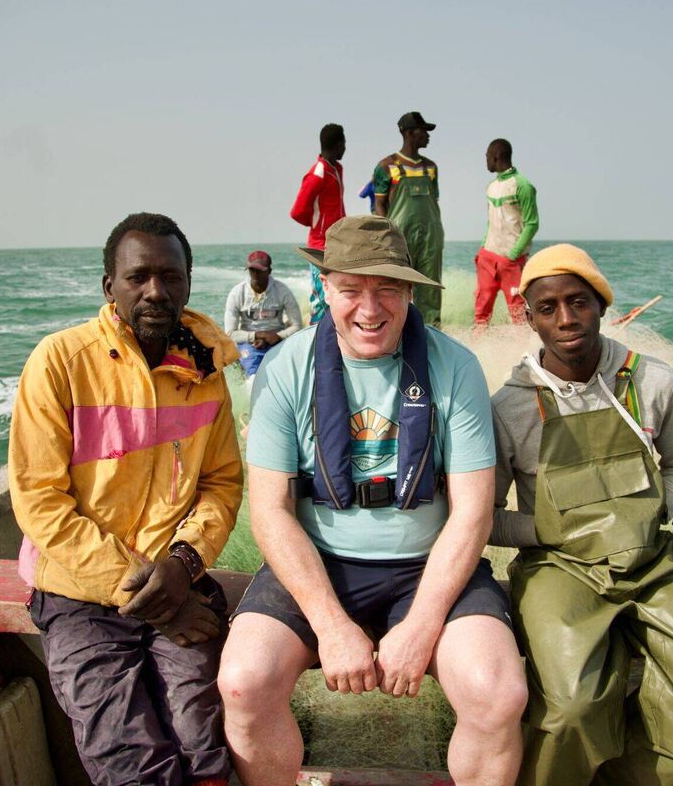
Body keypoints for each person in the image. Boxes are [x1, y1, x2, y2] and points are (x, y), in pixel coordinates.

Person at [218, 215, 527, 786]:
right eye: (350, 288)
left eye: (387, 288)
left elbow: (472, 512)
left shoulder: (455, 367)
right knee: (243, 683)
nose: (369, 308)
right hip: (317, 563)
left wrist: (422, 626)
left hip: (428, 568)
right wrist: (331, 626)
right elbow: (270, 511)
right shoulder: (284, 369)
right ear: (324, 288)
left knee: (498, 693)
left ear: (409, 291)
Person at [490, 244, 673, 786]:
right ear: (530, 320)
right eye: (548, 308)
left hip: (654, 563)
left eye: (579, 302)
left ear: (602, 306)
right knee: (572, 710)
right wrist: (548, 531)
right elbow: (485, 517)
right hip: (559, 568)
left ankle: (623, 776)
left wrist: (656, 508)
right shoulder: (509, 407)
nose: (566, 319)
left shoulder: (653, 381)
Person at [8, 213, 243, 785]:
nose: (156, 291)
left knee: (204, 737)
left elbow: (221, 483)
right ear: (109, 285)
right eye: (139, 277)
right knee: (126, 752)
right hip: (78, 592)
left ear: (188, 283)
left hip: (176, 578)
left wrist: (183, 565)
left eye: (171, 276)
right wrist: (146, 590)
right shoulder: (60, 361)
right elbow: (40, 501)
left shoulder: (205, 370)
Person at [373, 111, 444, 326]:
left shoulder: (431, 167)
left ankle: (431, 332)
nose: (428, 136)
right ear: (409, 133)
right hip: (399, 236)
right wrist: (386, 237)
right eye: (424, 131)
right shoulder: (386, 166)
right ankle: (397, 330)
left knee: (431, 287)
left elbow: (433, 201)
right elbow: (379, 206)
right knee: (397, 285)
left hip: (430, 235)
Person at [475, 139, 538, 328]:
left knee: (518, 312)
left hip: (511, 260)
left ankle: (523, 346)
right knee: (481, 310)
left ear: (496, 156)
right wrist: (483, 249)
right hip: (488, 257)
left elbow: (532, 224)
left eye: (487, 156)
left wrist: (513, 254)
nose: (486, 161)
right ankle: (477, 344)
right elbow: (491, 222)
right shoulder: (491, 187)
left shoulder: (523, 185)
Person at [290, 122, 346, 322]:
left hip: (336, 243)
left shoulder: (336, 169)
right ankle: (315, 336)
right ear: (338, 144)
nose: (345, 148)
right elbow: (297, 211)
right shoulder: (317, 174)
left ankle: (332, 335)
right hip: (320, 245)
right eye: (344, 144)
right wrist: (318, 225)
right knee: (320, 299)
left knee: (334, 295)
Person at [223, 250, 302, 385]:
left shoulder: (282, 291)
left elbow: (297, 326)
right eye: (252, 269)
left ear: (269, 271)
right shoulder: (237, 293)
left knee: (285, 379)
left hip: (277, 340)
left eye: (260, 270)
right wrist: (256, 335)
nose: (255, 273)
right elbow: (230, 334)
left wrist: (279, 336)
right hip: (249, 343)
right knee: (252, 380)